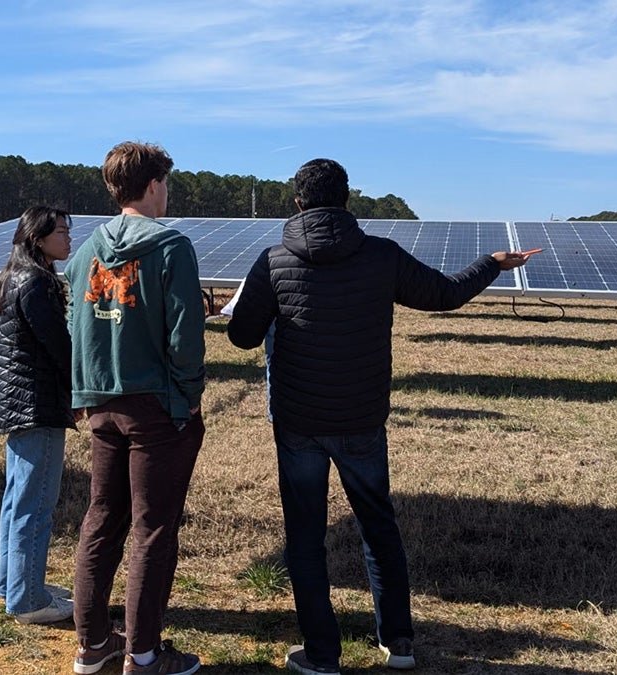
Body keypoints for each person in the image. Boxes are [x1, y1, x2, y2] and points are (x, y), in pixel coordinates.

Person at [226, 159, 532, 675]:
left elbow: (242, 337)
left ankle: (321, 655)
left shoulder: (274, 260)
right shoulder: (381, 256)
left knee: (305, 537)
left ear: (297, 203)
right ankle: (400, 643)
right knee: (378, 527)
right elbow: (444, 295)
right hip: (362, 418)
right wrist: (491, 263)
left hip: (298, 421)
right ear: (348, 201)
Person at [66, 141, 206, 675]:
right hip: (156, 409)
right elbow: (185, 335)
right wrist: (189, 394)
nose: (167, 194)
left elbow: (76, 327)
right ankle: (143, 655)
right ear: (152, 186)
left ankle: (92, 646)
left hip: (100, 404)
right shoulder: (171, 247)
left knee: (101, 519)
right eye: (165, 184)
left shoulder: (85, 253)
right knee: (152, 527)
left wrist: (83, 393)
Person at [0, 205, 77, 624]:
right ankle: (28, 601)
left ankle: (14, 585)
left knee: (16, 498)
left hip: (15, 402)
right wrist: (83, 386)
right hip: (36, 403)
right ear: (37, 238)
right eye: (61, 231)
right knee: (35, 504)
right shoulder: (37, 283)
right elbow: (59, 347)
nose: (69, 238)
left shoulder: (11, 277)